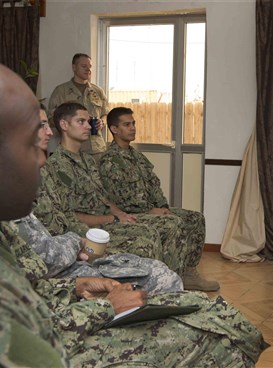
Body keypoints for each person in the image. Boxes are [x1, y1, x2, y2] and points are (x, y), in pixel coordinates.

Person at [0, 58, 267, 367]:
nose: (43, 162)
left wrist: (78, 286)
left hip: (67, 303)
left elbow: (34, 289)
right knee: (219, 333)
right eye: (31, 146)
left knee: (199, 308)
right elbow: (42, 347)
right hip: (68, 341)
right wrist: (106, 307)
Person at [38, 102, 218, 291]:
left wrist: (121, 215)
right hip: (91, 229)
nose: (89, 126)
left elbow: (104, 198)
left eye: (87, 121)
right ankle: (155, 290)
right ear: (64, 125)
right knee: (148, 235)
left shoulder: (87, 160)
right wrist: (114, 218)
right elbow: (71, 215)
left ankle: (172, 281)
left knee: (163, 227)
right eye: (81, 121)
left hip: (107, 219)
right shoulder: (57, 165)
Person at [7, 106, 183, 294]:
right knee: (146, 246)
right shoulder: (47, 170)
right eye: (81, 122)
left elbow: (96, 202)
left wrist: (118, 215)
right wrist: (86, 238)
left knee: (157, 258)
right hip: (72, 251)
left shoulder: (71, 166)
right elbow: (49, 245)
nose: (49, 132)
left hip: (76, 243)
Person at [99, 106, 220, 291]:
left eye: (133, 123)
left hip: (149, 210)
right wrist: (152, 211)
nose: (133, 128)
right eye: (127, 124)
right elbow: (121, 200)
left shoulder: (137, 157)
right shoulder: (109, 160)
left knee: (195, 218)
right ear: (114, 129)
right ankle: (170, 280)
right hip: (129, 215)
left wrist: (163, 208)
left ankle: (188, 272)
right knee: (174, 224)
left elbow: (154, 186)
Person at [48, 53, 108, 159]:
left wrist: (102, 122)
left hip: (96, 149)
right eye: (84, 66)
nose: (88, 69)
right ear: (74, 67)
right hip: (71, 150)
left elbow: (106, 114)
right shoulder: (61, 91)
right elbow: (51, 120)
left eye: (90, 67)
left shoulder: (97, 91)